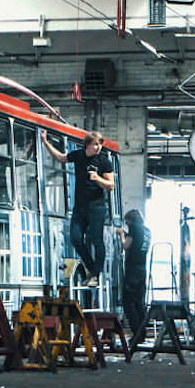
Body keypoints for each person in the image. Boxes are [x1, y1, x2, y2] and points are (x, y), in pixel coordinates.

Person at [41, 129, 114, 287]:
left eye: (100, 144)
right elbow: (61, 157)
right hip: (80, 206)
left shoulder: (104, 161)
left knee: (97, 240)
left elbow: (111, 185)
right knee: (75, 238)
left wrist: (98, 179)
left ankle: (96, 274)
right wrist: (46, 143)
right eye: (96, 144)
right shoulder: (78, 155)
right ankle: (91, 268)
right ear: (88, 144)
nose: (99, 147)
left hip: (97, 206)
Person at [116, 208, 151, 335]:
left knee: (128, 303)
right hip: (142, 271)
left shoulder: (134, 227)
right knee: (139, 303)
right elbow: (138, 243)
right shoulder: (147, 230)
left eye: (127, 222)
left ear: (131, 219)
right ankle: (142, 334)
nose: (127, 224)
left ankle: (136, 334)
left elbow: (126, 245)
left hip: (132, 271)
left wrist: (121, 234)